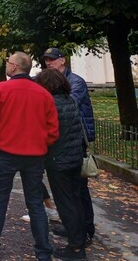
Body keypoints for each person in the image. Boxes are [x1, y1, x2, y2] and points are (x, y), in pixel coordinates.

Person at [0, 52, 59, 261]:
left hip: (6, 153)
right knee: (35, 202)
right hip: (35, 155)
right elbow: (53, 129)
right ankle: (43, 252)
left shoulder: (2, 89)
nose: (7, 65)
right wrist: (41, 143)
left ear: (15, 67)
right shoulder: (43, 93)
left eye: (9, 62)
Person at [43, 48, 96, 245]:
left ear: (63, 61)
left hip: (76, 140)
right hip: (66, 139)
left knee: (79, 190)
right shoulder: (55, 83)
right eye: (47, 60)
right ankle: (72, 226)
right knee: (70, 191)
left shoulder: (75, 81)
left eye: (53, 60)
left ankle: (86, 230)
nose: (49, 63)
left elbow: (68, 102)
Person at [35, 69, 87, 261]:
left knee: (66, 204)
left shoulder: (50, 104)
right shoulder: (69, 100)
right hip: (74, 157)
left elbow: (47, 133)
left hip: (59, 160)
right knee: (75, 200)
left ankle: (76, 250)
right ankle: (79, 241)